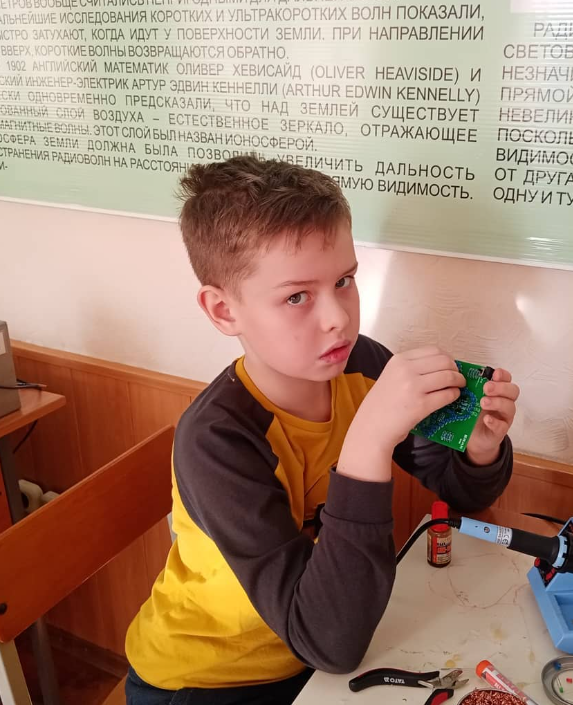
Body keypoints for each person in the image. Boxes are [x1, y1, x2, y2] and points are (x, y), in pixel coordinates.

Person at [125, 155, 520, 705]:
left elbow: (462, 494)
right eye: (296, 296)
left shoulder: (362, 364)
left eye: (344, 280)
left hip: (318, 648)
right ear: (223, 311)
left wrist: (479, 451)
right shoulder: (216, 439)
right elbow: (330, 642)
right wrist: (368, 444)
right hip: (210, 678)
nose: (338, 317)